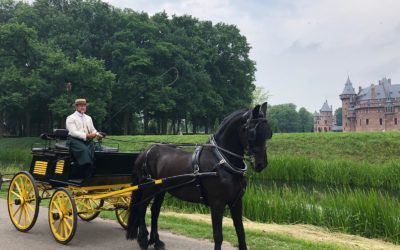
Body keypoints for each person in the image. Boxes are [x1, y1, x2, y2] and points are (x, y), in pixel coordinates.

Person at [66, 98, 102, 178]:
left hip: (88, 141)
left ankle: (97, 172)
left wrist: (97, 134)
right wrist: (86, 135)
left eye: (84, 106)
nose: (83, 107)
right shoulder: (70, 118)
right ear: (76, 107)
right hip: (74, 141)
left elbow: (93, 130)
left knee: (99, 149)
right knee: (84, 150)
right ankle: (85, 173)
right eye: (81, 106)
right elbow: (72, 132)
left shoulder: (88, 118)